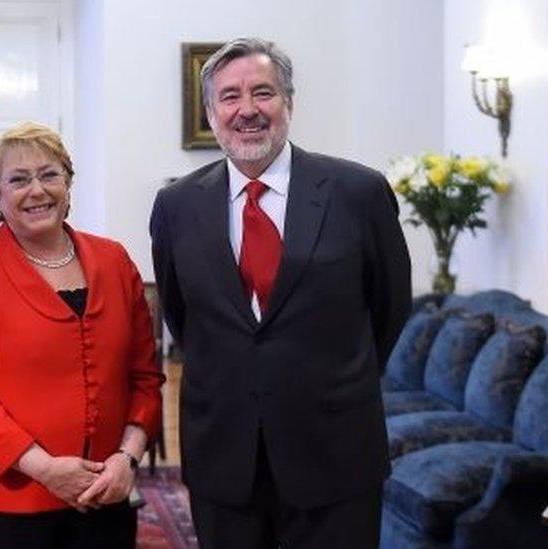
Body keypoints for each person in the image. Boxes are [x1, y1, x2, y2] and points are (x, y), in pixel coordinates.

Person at [150, 37, 412, 548]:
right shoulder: (176, 206)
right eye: (230, 96)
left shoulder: (358, 193)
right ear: (210, 111)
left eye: (263, 92)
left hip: (335, 456)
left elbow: (390, 308)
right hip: (224, 456)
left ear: (288, 102)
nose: (247, 110)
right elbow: (185, 318)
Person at [0, 121, 164, 549]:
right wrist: (44, 468)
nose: (37, 190)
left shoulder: (114, 261)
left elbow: (145, 379)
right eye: (18, 180)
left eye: (49, 174)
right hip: (5, 503)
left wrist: (125, 459)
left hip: (104, 493)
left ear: (68, 184)